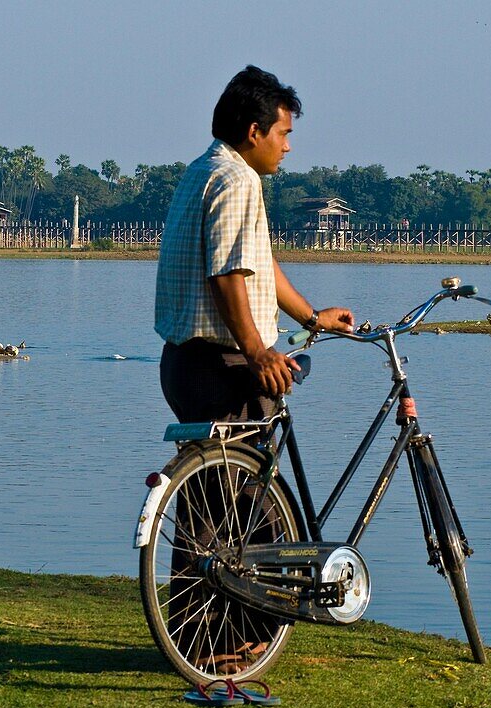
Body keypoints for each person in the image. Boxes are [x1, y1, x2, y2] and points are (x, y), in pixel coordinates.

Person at [153, 65, 355, 673]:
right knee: (245, 512)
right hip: (224, 364)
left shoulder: (203, 171)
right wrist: (261, 351)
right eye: (284, 133)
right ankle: (231, 639)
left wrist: (312, 316)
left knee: (206, 511)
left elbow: (258, 264)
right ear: (253, 130)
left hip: (185, 363)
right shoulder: (237, 180)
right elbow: (227, 278)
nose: (288, 146)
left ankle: (197, 638)